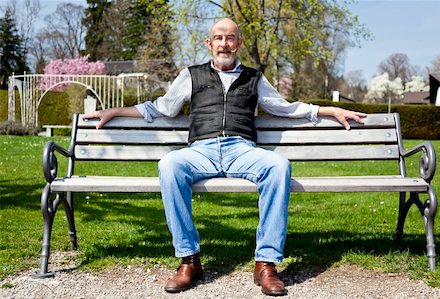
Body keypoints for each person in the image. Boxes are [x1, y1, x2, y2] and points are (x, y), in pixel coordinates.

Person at [84, 17, 365, 296]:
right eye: (218, 38)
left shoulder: (254, 78)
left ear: (239, 43)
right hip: (201, 151)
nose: (224, 43)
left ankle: (265, 264)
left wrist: (329, 111)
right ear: (209, 43)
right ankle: (189, 261)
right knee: (169, 165)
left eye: (230, 38)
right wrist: (115, 111)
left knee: (279, 166)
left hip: (241, 149)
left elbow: (285, 108)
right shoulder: (191, 75)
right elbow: (161, 108)